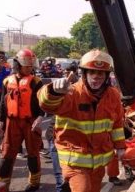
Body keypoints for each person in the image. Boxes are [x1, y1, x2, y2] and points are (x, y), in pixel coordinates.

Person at [38, 49, 126, 192]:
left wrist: (120, 146)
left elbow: (116, 125)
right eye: (92, 72)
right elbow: (47, 104)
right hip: (75, 161)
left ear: (106, 75)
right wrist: (53, 91)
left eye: (100, 73)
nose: (96, 77)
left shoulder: (113, 95)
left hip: (98, 162)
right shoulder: (71, 92)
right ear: (84, 74)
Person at [0, 49, 44, 192]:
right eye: (26, 65)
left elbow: (43, 102)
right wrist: (1, 121)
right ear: (17, 65)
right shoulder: (7, 81)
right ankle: (1, 185)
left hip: (30, 122)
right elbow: (3, 103)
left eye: (31, 65)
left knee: (33, 153)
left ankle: (34, 183)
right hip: (12, 123)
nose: (30, 68)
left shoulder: (36, 82)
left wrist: (40, 116)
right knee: (7, 154)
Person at [44, 62, 79, 192]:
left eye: (70, 72)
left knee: (72, 176)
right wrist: (55, 92)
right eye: (65, 72)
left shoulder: (81, 92)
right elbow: (45, 100)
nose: (68, 74)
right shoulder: (60, 87)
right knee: (60, 177)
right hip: (55, 137)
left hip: (73, 142)